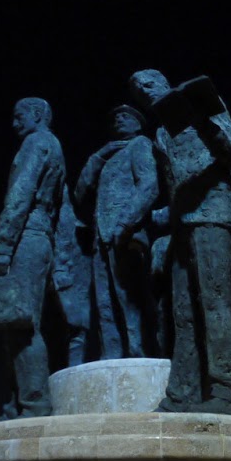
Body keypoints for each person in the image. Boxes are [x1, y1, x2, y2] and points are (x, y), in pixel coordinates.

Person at [129, 70, 231, 415]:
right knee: (182, 313)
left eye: (149, 84)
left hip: (214, 214)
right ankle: (182, 394)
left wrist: (204, 123)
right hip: (181, 226)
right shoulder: (160, 134)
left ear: (165, 83)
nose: (145, 92)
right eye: (139, 92)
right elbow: (171, 188)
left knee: (214, 305)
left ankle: (228, 391)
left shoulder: (206, 110)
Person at [0, 97, 69, 419]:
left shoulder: (37, 142)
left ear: (37, 114)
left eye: (19, 115)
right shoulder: (53, 145)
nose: (14, 123)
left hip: (27, 236)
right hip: (39, 237)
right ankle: (15, 404)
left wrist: (4, 246)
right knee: (17, 322)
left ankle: (33, 404)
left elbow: (20, 193)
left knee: (21, 324)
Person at [73, 104, 159, 358]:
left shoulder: (141, 144)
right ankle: (110, 354)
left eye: (126, 116)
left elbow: (149, 185)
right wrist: (98, 157)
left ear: (139, 123)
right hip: (101, 235)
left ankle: (139, 352)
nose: (120, 119)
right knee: (104, 301)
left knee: (130, 296)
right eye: (116, 117)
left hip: (126, 234)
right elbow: (79, 193)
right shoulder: (107, 156)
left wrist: (126, 223)